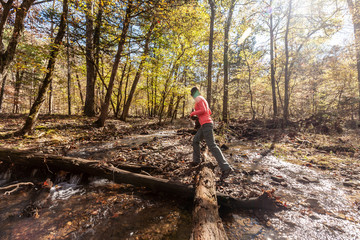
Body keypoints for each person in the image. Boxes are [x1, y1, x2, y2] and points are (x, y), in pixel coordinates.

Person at [189, 87, 234, 179]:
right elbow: (209, 111)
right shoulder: (203, 99)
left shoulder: (199, 98)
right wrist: (197, 115)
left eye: (193, 95)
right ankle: (196, 161)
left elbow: (204, 111)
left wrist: (193, 114)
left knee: (212, 146)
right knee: (196, 140)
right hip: (205, 125)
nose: (193, 97)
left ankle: (226, 168)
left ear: (194, 93)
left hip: (206, 124)